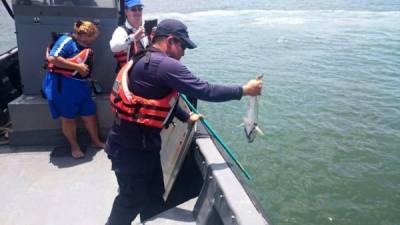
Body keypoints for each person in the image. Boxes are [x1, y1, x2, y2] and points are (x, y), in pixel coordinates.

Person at [105, 19, 263, 225]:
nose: (184, 53)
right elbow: (205, 90)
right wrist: (244, 90)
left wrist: (186, 116)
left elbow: (154, 101)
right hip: (132, 149)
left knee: (153, 194)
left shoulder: (143, 58)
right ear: (170, 41)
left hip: (138, 144)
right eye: (183, 46)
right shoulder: (165, 65)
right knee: (130, 200)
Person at [42, 20, 105, 159]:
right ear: (81, 35)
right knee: (68, 118)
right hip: (63, 87)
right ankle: (74, 146)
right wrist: (77, 67)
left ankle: (95, 141)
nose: (93, 41)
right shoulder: (66, 41)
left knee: (90, 114)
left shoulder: (85, 45)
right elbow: (53, 58)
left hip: (82, 87)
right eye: (91, 38)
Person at [109, 0, 147, 70]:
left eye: (140, 9)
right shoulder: (120, 31)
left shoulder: (146, 29)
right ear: (126, 11)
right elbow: (113, 47)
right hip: (128, 76)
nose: (137, 12)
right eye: (133, 10)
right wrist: (133, 38)